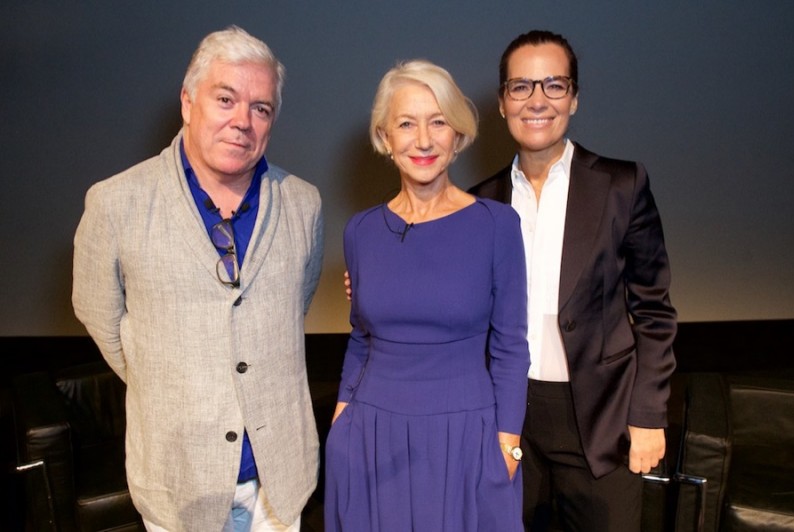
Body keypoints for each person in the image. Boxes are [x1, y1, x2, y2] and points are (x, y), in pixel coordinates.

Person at [72, 26, 323, 532]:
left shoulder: (304, 203)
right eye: (225, 99)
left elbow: (293, 307)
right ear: (188, 102)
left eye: (261, 108)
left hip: (280, 483)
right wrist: (177, 381)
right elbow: (101, 318)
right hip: (179, 484)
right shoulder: (116, 203)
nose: (242, 121)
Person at [468, 30, 677, 531]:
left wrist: (648, 414)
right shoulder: (477, 203)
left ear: (574, 98)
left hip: (602, 419)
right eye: (521, 87)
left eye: (554, 85)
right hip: (507, 417)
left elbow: (654, 311)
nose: (537, 100)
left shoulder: (621, 185)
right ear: (502, 103)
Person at [324, 60, 529, 532]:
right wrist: (341, 424)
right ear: (385, 137)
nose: (423, 140)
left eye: (438, 122)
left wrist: (509, 445)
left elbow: (511, 347)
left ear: (457, 135)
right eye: (406, 123)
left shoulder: (497, 226)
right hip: (371, 438)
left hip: (466, 439)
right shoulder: (360, 231)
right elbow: (360, 339)